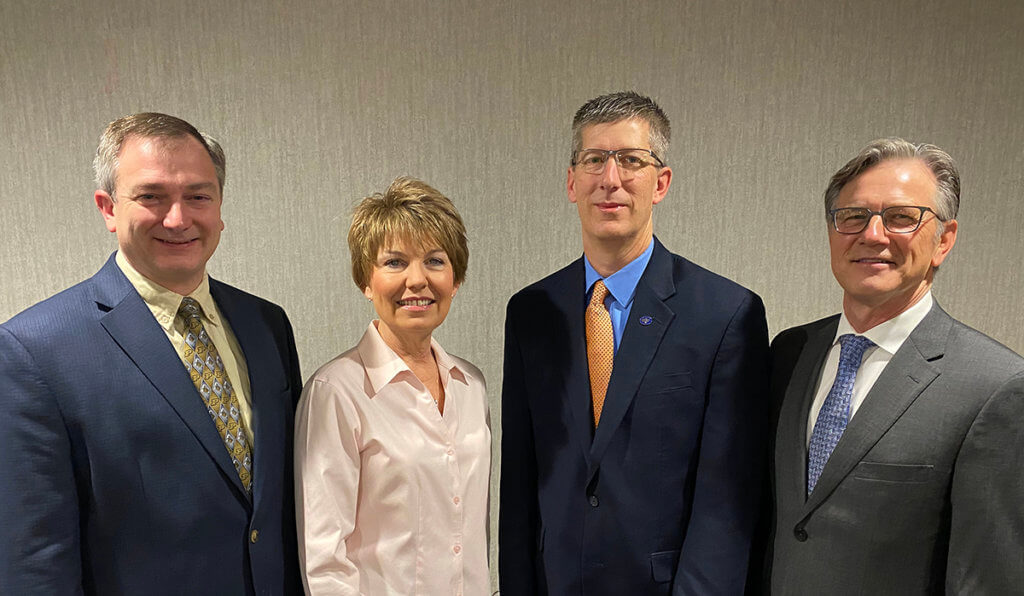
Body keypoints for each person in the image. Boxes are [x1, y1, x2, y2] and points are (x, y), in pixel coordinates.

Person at [0, 113, 303, 594]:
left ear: (219, 206)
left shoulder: (266, 323)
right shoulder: (34, 351)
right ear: (108, 208)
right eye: (151, 197)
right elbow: (35, 561)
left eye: (198, 196)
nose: (178, 218)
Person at [499, 91, 770, 595]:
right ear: (571, 181)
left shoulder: (726, 314)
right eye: (594, 160)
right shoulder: (531, 312)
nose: (611, 179)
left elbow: (727, 501)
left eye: (631, 160)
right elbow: (520, 482)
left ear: (660, 182)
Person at [764, 138, 1024, 593]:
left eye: (901, 217)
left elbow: (988, 579)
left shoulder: (995, 387)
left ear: (944, 239)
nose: (873, 235)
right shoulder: (790, 352)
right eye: (854, 216)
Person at [295, 177, 490, 595]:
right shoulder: (336, 392)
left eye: (435, 261)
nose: (417, 280)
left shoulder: (471, 384)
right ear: (366, 281)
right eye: (395, 262)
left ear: (456, 280)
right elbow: (325, 559)